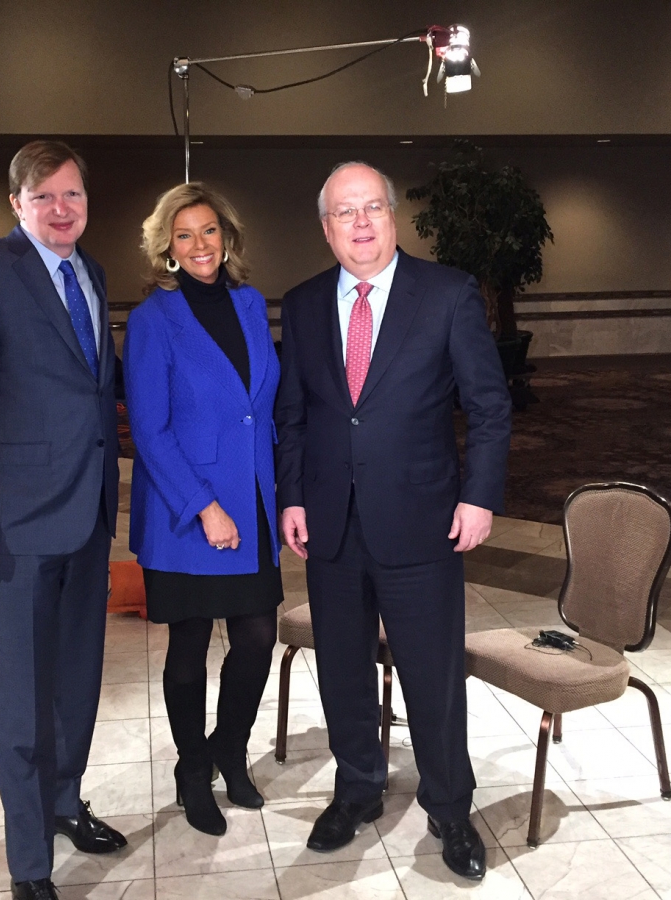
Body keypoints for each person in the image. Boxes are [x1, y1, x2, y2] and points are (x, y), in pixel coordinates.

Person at [274, 161, 512, 880]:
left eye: (372, 207)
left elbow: (491, 406)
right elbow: (296, 416)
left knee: (432, 675)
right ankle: (357, 790)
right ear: (326, 227)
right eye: (344, 213)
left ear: (392, 214)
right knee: (343, 669)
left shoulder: (447, 294)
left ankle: (449, 806)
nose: (361, 223)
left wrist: (480, 496)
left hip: (423, 523)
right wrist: (291, 496)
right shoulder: (306, 301)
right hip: (331, 528)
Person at [0, 140, 126, 900]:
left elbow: (89, 391)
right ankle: (28, 864)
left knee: (77, 682)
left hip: (87, 514)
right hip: (10, 524)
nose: (61, 209)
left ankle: (65, 801)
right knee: (19, 695)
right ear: (16, 202)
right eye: (43, 196)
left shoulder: (94, 273)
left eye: (72, 194)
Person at [123, 182, 282, 836]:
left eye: (209, 231)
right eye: (184, 235)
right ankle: (194, 770)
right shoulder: (152, 320)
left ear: (227, 237)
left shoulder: (249, 304)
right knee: (188, 645)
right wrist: (205, 506)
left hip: (253, 501)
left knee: (256, 637)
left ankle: (229, 747)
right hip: (186, 510)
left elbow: (260, 406)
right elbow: (150, 430)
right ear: (166, 247)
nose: (199, 245)